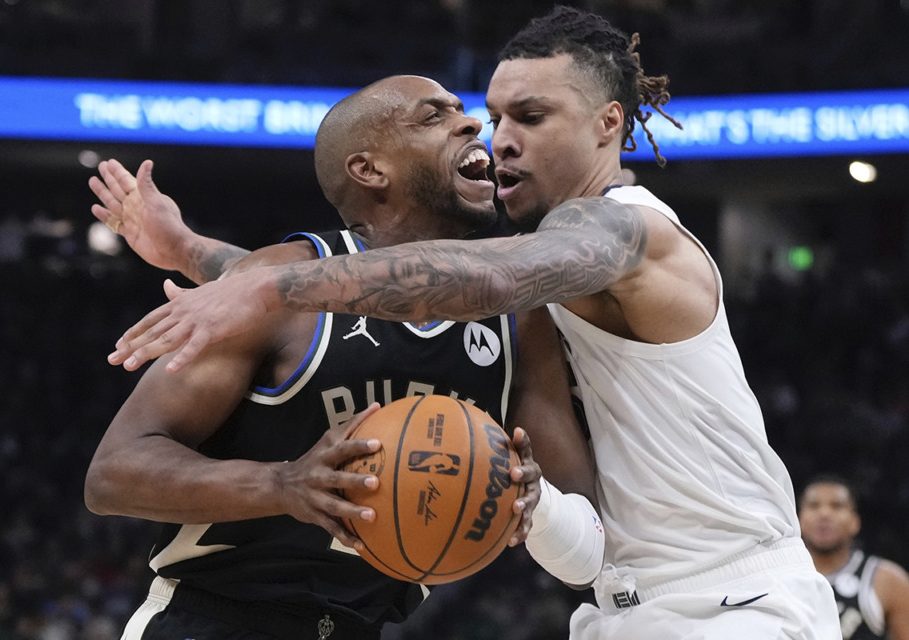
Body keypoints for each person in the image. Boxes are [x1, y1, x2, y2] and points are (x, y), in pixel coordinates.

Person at [102, 6, 843, 639]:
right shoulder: (529, 280)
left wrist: (265, 285)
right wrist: (201, 255)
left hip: (732, 603)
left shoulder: (622, 232)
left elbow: (478, 277)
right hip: (626, 605)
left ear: (606, 123)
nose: (494, 137)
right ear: (372, 169)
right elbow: (387, 290)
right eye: (492, 117)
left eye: (530, 116)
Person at [85, 74, 605, 640]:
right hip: (212, 619)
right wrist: (282, 484)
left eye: (462, 109)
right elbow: (113, 473)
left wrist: (535, 499)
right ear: (371, 170)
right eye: (434, 117)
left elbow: (585, 529)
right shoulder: (276, 285)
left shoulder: (519, 318)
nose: (473, 122)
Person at [799, 476, 909, 640]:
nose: (824, 514)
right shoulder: (776, 578)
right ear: (798, 520)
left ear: (855, 522)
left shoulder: (887, 580)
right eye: (813, 506)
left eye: (837, 506)